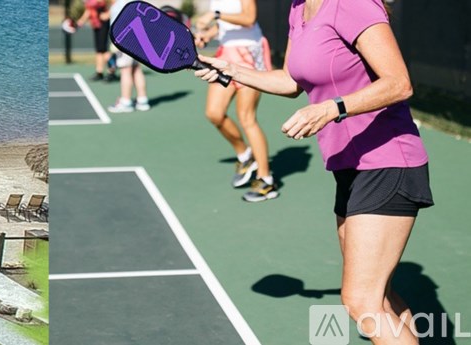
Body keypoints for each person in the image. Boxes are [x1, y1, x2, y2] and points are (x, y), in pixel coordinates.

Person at [195, 0, 433, 343]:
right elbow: (291, 81)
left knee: (361, 301)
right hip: (349, 166)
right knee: (378, 298)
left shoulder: (352, 4)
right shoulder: (299, 9)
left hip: (386, 160)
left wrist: (332, 108)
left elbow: (399, 83)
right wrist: (228, 69)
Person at [194, 0, 276, 202]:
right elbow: (225, 26)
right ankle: (245, 156)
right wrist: (209, 34)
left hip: (249, 53)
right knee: (214, 113)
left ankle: (266, 180)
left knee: (246, 118)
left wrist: (216, 15)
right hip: (226, 55)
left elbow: (249, 18)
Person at [106, 0, 150, 113]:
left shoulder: (119, 4)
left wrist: (116, 44)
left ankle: (126, 102)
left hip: (125, 41)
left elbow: (119, 25)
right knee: (136, 69)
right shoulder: (134, 2)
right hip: (139, 40)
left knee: (125, 70)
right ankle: (142, 101)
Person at [76, 0, 116, 82]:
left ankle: (111, 71)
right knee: (99, 50)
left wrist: (108, 14)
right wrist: (81, 21)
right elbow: (89, 10)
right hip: (96, 24)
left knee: (103, 49)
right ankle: (99, 72)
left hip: (104, 23)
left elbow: (115, 3)